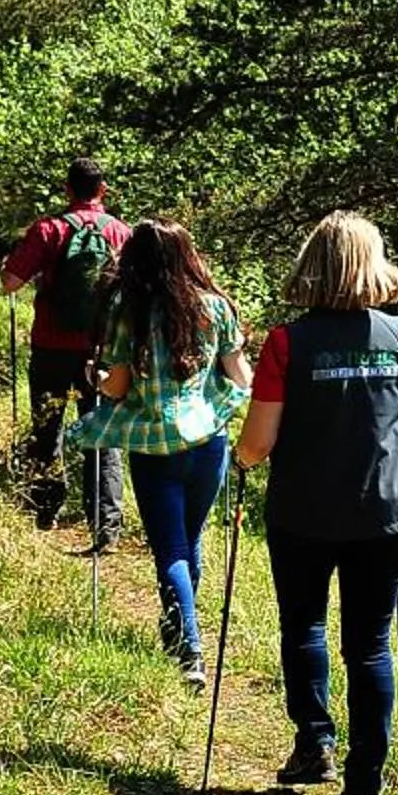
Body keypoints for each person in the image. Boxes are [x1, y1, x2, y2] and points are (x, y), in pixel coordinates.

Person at [234, 211, 398, 795]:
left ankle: (314, 743)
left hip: (303, 510)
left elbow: (257, 445)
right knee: (370, 644)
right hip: (387, 510)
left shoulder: (286, 344)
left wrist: (239, 459)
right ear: (375, 265)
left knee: (304, 625)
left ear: (313, 265)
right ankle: (364, 786)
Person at [66, 220, 252, 686]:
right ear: (187, 255)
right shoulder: (216, 307)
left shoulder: (130, 310)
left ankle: (189, 648)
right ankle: (179, 628)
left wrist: (95, 378)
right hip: (208, 442)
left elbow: (117, 386)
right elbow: (241, 377)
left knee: (169, 546)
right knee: (189, 538)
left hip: (154, 446)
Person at [0, 157, 131, 546]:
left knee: (47, 426)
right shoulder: (121, 233)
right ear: (103, 190)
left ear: (67, 188)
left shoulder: (48, 229)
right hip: (102, 350)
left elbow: (10, 282)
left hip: (51, 346)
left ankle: (45, 509)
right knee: (102, 432)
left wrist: (15, 267)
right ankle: (105, 524)